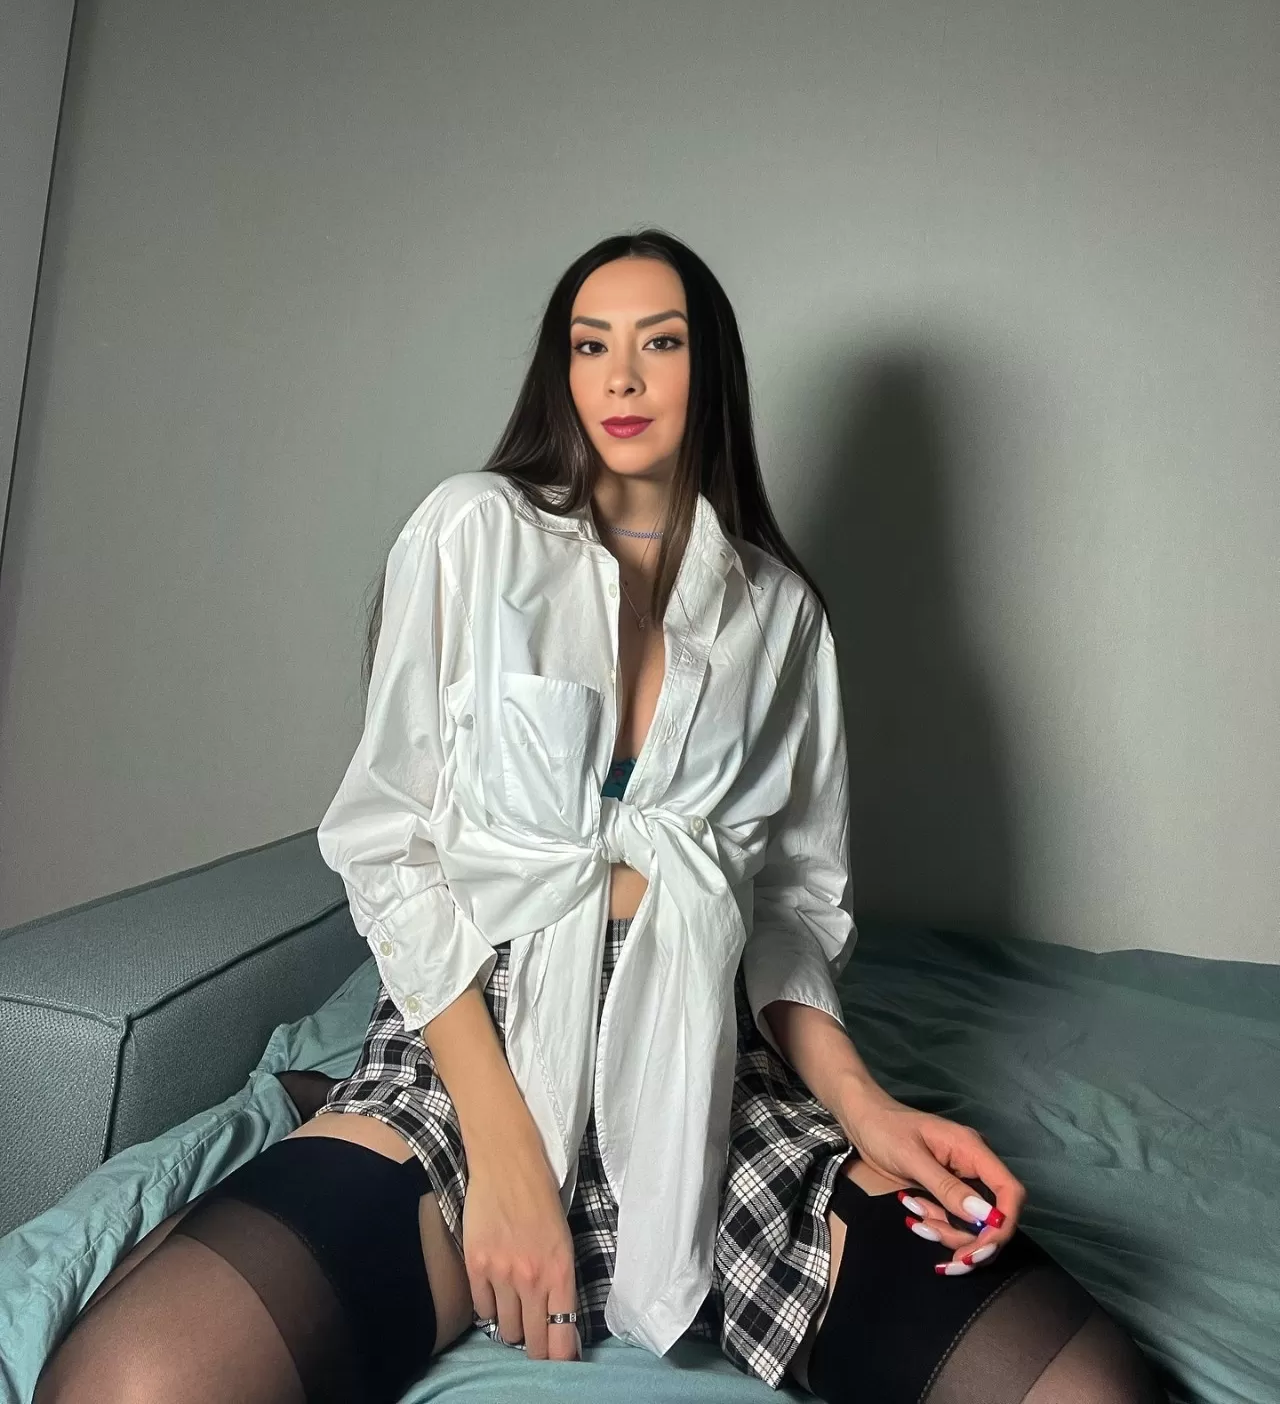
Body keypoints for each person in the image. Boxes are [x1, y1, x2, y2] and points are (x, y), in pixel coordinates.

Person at [35, 231, 1167, 1404]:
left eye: (658, 343)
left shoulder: (779, 615)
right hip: (471, 1042)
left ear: (708, 369)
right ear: (561, 371)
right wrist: (507, 1154)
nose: (621, 376)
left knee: (1084, 1390)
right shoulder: (473, 531)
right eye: (590, 346)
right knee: (133, 1379)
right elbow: (389, 844)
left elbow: (788, 914)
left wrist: (866, 1107)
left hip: (703, 1066)